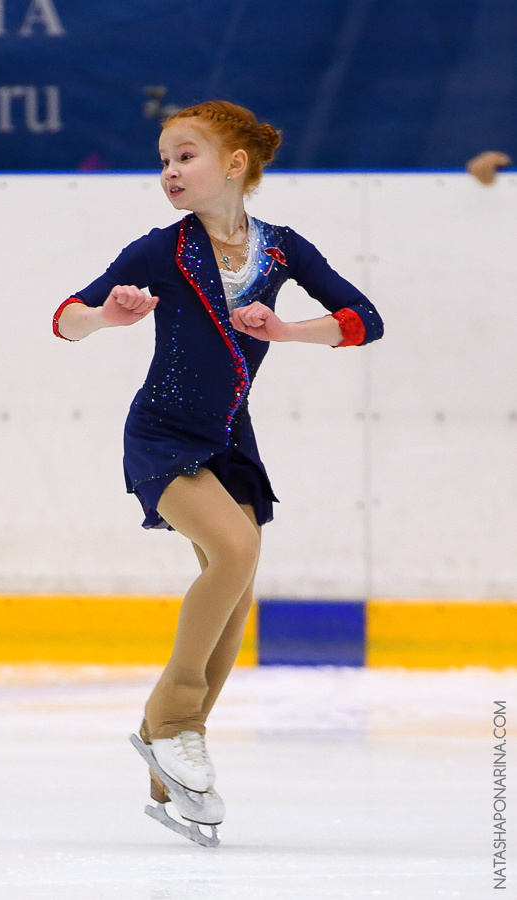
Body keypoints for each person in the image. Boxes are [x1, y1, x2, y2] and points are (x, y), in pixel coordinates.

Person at [53, 100, 384, 845]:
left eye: (185, 156)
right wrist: (107, 316)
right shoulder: (160, 250)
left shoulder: (281, 250)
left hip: (230, 438)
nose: (169, 171)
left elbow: (364, 318)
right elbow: (64, 316)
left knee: (234, 595)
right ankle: (170, 723)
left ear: (234, 165)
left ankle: (171, 745)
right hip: (162, 435)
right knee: (232, 553)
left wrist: (288, 329)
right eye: (164, 159)